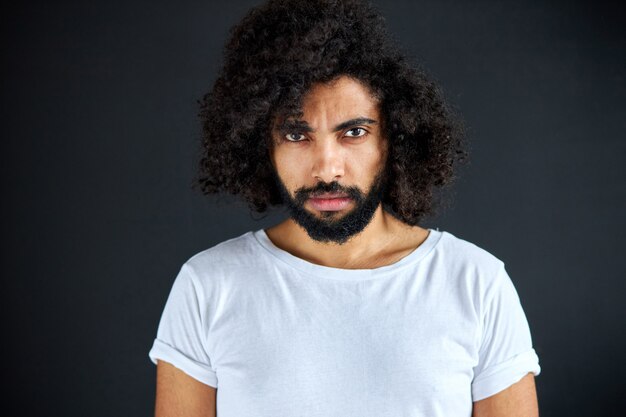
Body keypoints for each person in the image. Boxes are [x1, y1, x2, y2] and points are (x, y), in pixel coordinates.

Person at [148, 0, 541, 416]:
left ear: (392, 140)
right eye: (297, 135)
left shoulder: (476, 283)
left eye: (353, 132)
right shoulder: (208, 285)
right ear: (263, 145)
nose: (326, 169)